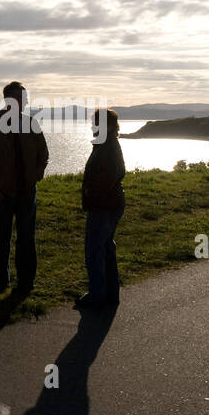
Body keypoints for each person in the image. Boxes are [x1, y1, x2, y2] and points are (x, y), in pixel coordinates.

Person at [0, 81, 49, 293]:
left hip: (26, 192)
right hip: (1, 194)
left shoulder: (31, 123)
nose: (24, 103)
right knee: (2, 238)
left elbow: (43, 154)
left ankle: (26, 281)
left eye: (25, 99)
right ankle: (1, 280)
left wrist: (35, 177)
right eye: (20, 99)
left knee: (26, 238)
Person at [77, 108, 126, 309]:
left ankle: (97, 295)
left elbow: (109, 177)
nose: (93, 127)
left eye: (96, 123)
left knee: (95, 250)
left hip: (104, 206)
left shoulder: (106, 146)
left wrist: (90, 193)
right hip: (111, 203)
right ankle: (110, 294)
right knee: (106, 248)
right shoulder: (107, 144)